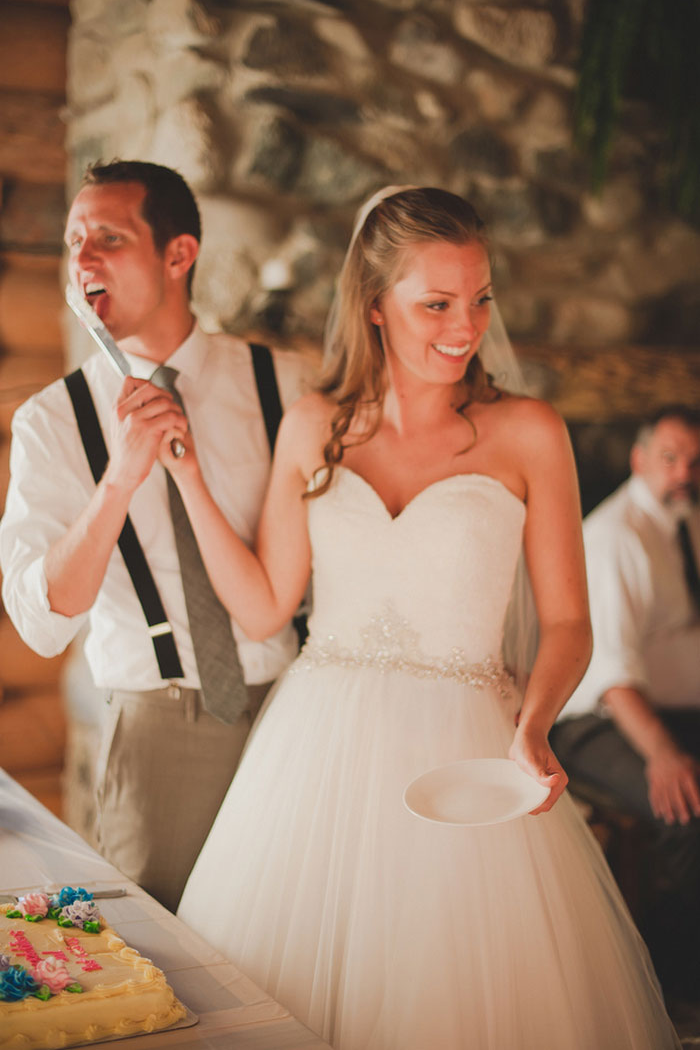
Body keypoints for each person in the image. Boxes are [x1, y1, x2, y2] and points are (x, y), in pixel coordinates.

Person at [170, 187, 679, 1048]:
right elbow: (262, 605)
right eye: (436, 303)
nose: (465, 324)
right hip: (316, 755)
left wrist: (535, 724)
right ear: (375, 306)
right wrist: (185, 476)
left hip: (471, 758)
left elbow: (567, 623)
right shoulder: (313, 425)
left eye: (480, 297)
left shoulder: (529, 432)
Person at [0, 160, 309, 913]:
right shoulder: (52, 421)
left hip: (298, 716)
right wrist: (120, 479)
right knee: (164, 962)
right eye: (75, 241)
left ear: (179, 254)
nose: (83, 259)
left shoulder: (287, 386)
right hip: (157, 730)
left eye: (109, 236)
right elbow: (42, 624)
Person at [551, 405, 700, 1006]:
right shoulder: (615, 537)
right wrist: (664, 755)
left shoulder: (683, 519)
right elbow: (611, 677)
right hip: (596, 720)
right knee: (687, 809)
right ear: (639, 459)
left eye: (694, 461)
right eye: (670, 458)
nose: (683, 472)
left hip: (669, 707)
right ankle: (672, 985)